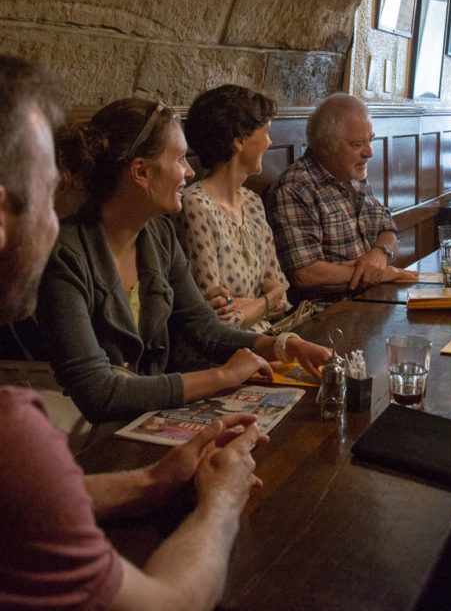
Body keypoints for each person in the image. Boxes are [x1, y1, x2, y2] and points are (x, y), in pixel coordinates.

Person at [0, 53, 269, 611]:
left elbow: (33, 500)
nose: (55, 219)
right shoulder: (14, 437)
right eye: (48, 195)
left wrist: (151, 483)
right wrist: (219, 501)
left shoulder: (158, 237)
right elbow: (169, 602)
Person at [36, 97, 331, 423]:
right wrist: (223, 377)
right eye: (179, 159)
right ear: (141, 171)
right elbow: (98, 393)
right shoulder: (65, 255)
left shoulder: (157, 235)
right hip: (79, 439)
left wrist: (284, 346)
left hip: (140, 420)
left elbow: (205, 329)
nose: (189, 172)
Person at [267, 93, 417, 302]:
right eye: (357, 144)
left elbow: (387, 227)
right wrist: (379, 274)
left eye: (370, 140)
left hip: (371, 304)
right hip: (327, 317)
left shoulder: (354, 176)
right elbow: (305, 274)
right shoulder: (296, 188)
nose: (370, 152)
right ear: (325, 146)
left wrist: (379, 254)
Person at [173, 84, 291, 334]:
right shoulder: (195, 206)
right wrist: (267, 300)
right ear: (238, 140)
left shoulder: (252, 202)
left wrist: (253, 305)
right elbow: (217, 323)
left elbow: (283, 295)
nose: (270, 142)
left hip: (266, 342)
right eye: (266, 132)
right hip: (223, 358)